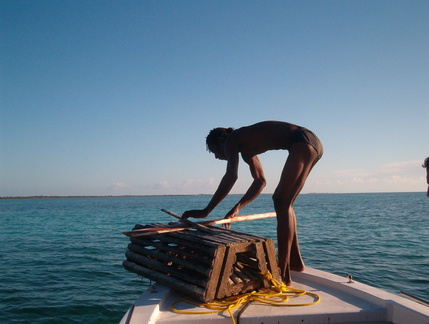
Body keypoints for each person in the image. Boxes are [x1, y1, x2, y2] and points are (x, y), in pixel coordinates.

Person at [180, 121, 323, 285]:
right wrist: (237, 207)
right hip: (310, 142)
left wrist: (206, 211)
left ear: (221, 142)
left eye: (214, 152)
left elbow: (231, 176)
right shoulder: (246, 150)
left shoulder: (232, 139)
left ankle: (283, 273)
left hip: (301, 141)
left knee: (281, 201)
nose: (217, 157)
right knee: (285, 203)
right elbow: (260, 181)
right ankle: (295, 262)